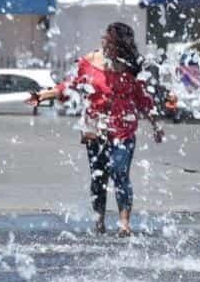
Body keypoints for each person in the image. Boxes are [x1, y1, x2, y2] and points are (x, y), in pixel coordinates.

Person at [28, 22, 164, 236]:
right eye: (104, 39)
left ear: (120, 44)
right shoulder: (89, 61)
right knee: (98, 178)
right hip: (95, 128)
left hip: (123, 129)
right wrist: (43, 95)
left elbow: (142, 99)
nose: (104, 43)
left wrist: (156, 125)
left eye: (110, 41)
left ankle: (124, 224)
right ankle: (99, 220)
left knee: (121, 174)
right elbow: (71, 84)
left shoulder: (131, 66)